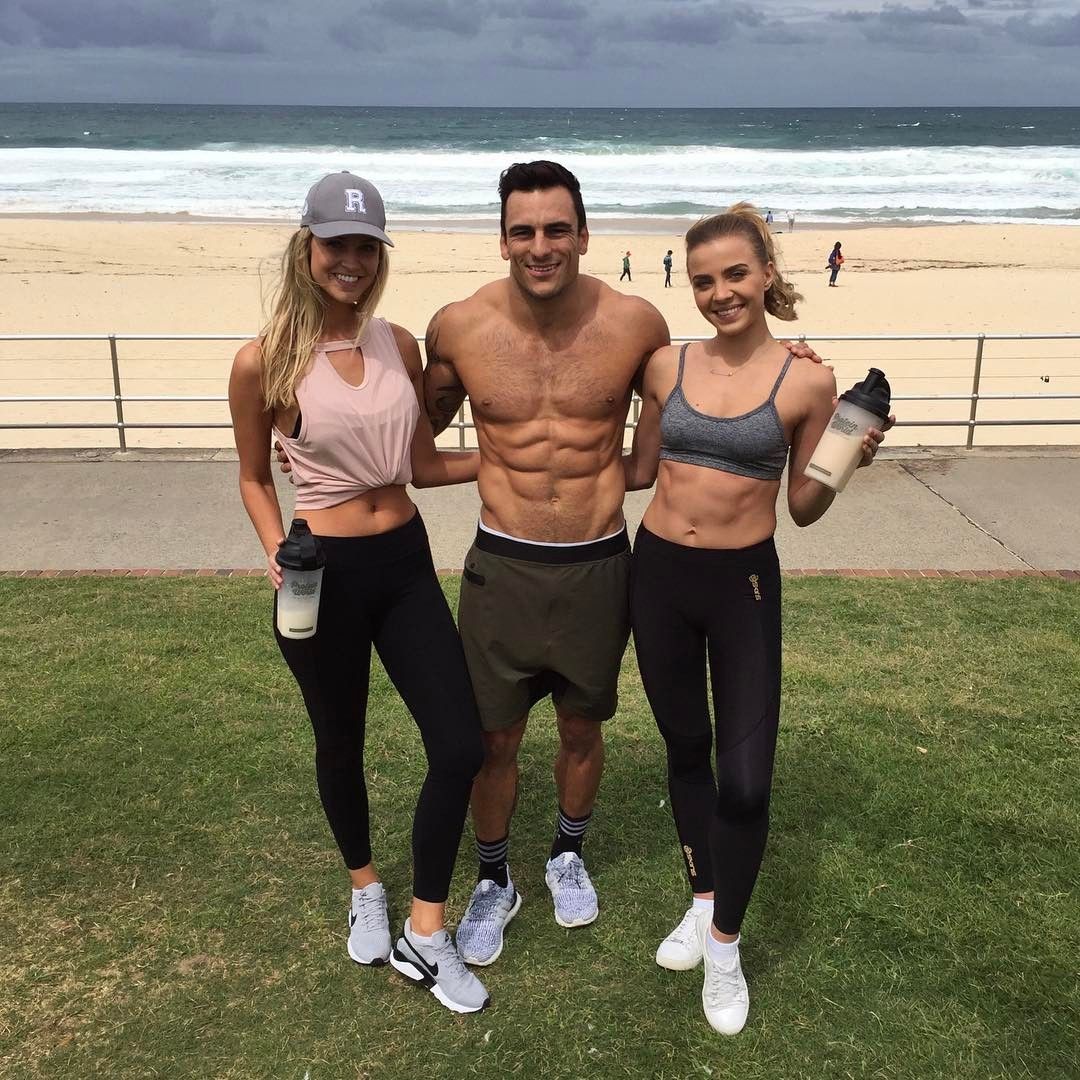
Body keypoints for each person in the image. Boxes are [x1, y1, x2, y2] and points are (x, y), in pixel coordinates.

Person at [623, 204, 891, 1036]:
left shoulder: (807, 380)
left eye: (736, 274)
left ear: (767, 273)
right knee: (685, 748)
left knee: (745, 783)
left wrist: (849, 457)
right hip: (656, 576)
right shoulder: (665, 365)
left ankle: (725, 948)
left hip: (741, 584)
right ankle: (704, 900)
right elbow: (638, 467)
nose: (720, 293)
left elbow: (802, 505)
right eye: (704, 280)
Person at [229, 171, 491, 1014]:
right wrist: (274, 548)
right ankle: (366, 887)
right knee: (338, 741)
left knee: (459, 744)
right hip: (321, 577)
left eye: (367, 247)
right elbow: (252, 477)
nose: (352, 261)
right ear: (306, 249)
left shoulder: (398, 345)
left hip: (405, 564)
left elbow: (419, 465)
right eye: (336, 244)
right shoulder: (263, 361)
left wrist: (513, 457)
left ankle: (425, 929)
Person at [421, 161, 669, 965]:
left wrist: (794, 366)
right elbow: (406, 435)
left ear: (584, 235)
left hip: (598, 563)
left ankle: (567, 853)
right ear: (502, 240)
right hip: (502, 566)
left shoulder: (637, 324)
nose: (541, 246)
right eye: (523, 231)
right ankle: (494, 877)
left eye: (557, 229)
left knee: (581, 727)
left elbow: (677, 423)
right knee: (493, 739)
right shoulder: (458, 328)